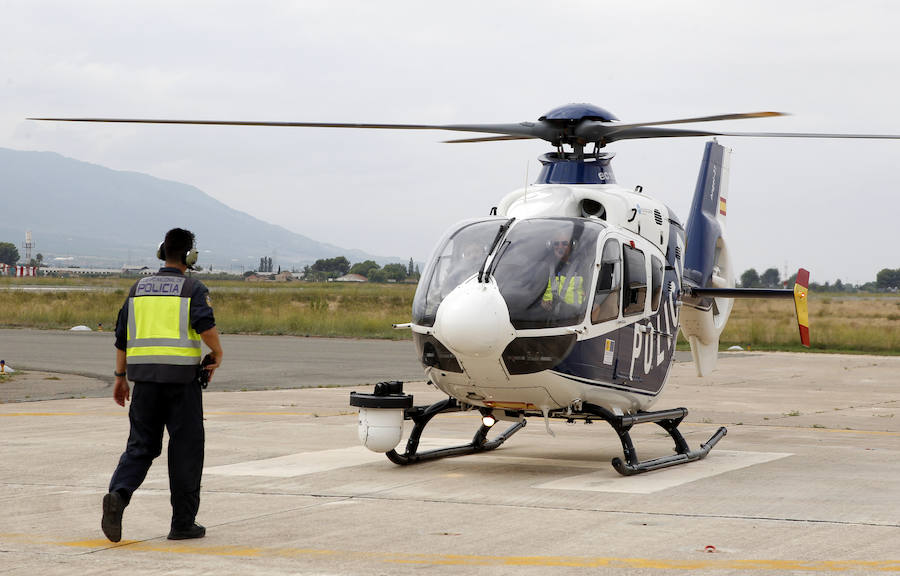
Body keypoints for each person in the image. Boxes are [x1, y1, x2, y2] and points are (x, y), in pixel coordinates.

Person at [102, 228, 223, 543]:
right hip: (182, 384)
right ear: (190, 257)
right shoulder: (192, 288)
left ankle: (118, 494)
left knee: (141, 446)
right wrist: (218, 353)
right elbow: (205, 327)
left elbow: (121, 337)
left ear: (161, 252)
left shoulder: (137, 288)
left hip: (143, 383)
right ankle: (182, 524)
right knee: (185, 451)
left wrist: (119, 377)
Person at [541, 230, 585, 312]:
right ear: (551, 246)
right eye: (556, 244)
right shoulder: (544, 267)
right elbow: (533, 292)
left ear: (572, 246)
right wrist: (542, 303)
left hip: (575, 317)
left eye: (564, 244)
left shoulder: (581, 267)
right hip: (547, 316)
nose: (560, 247)